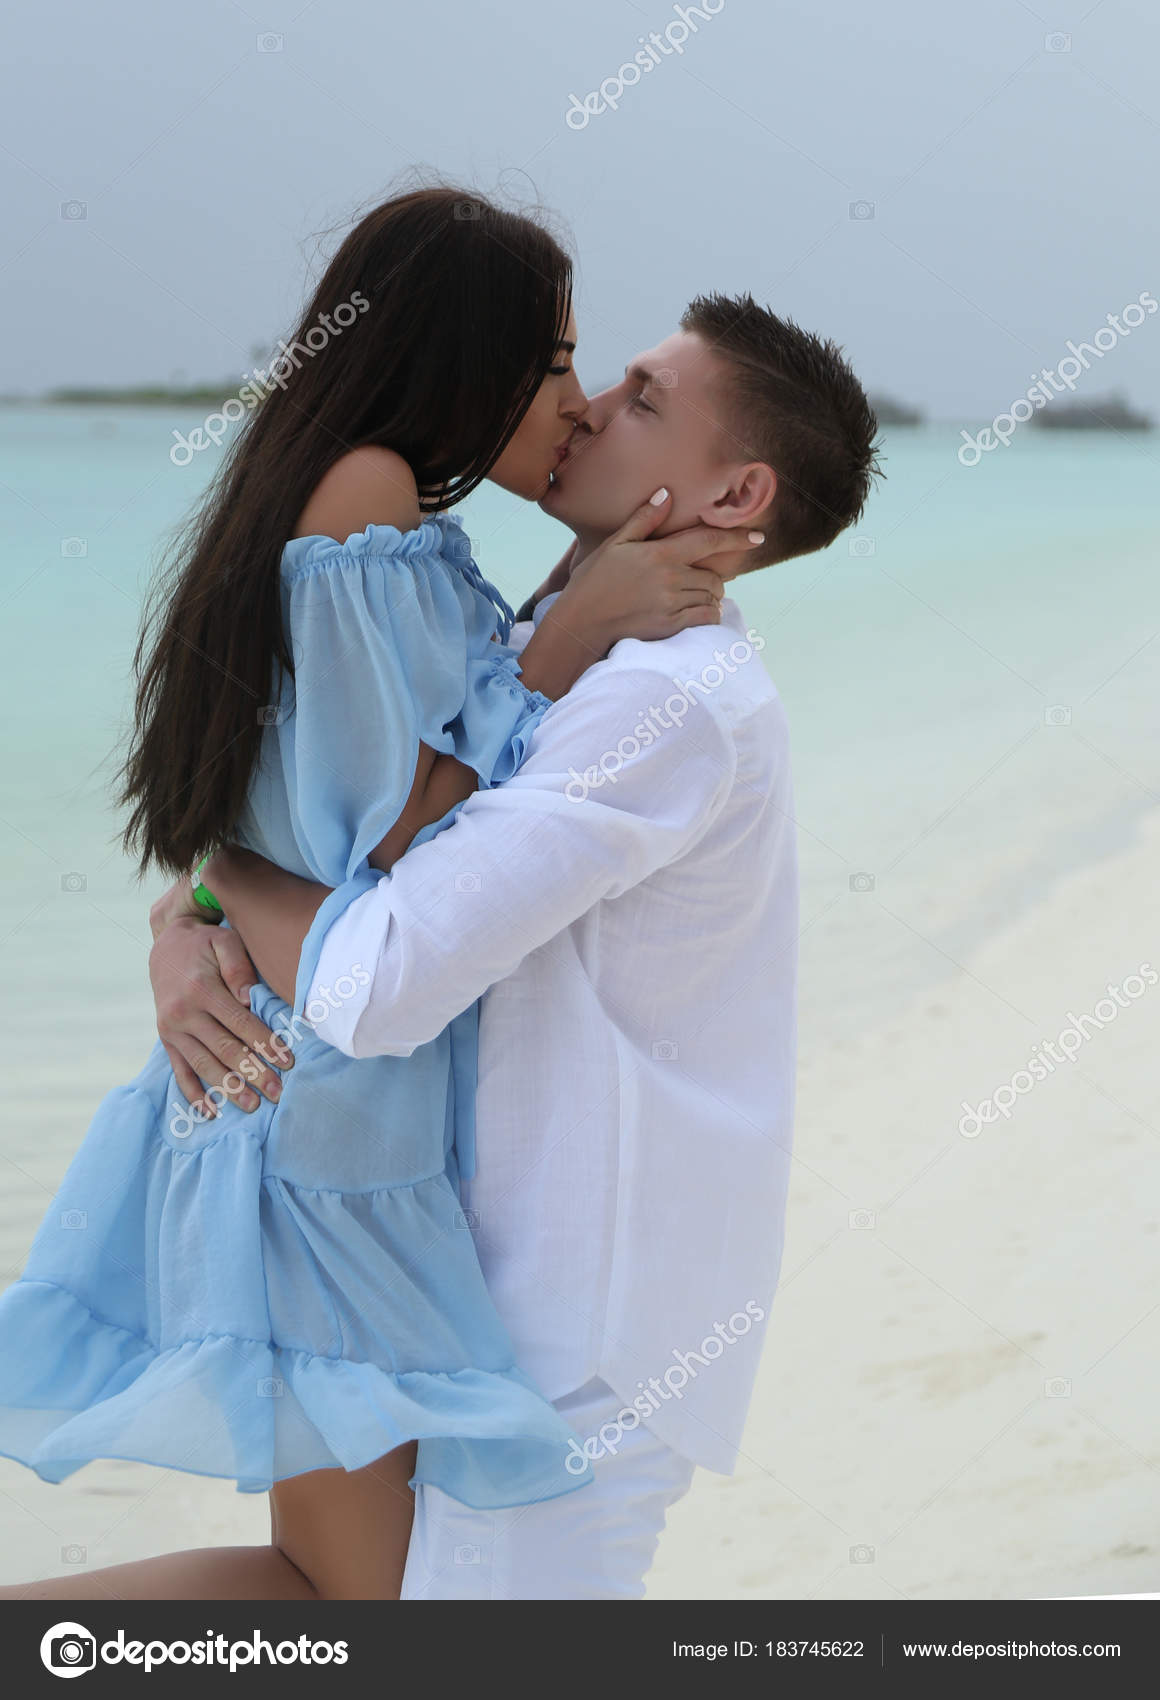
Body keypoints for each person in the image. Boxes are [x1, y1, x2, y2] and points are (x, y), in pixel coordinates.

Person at [0, 189, 738, 1603]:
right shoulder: (365, 494)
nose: (575, 407)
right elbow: (391, 838)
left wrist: (205, 896)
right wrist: (568, 642)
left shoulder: (374, 508)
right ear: (461, 353)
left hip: (326, 1104)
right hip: (325, 1119)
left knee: (338, 1593)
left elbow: (301, 802)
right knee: (353, 1606)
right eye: (556, 363)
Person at [146, 293, 883, 1598]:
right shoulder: (580, 649)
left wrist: (223, 873)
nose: (591, 402)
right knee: (318, 1604)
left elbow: (373, 981)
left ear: (735, 494)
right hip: (421, 1262)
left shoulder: (668, 702)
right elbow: (369, 832)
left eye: (646, 399)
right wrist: (196, 911)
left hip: (568, 1341)